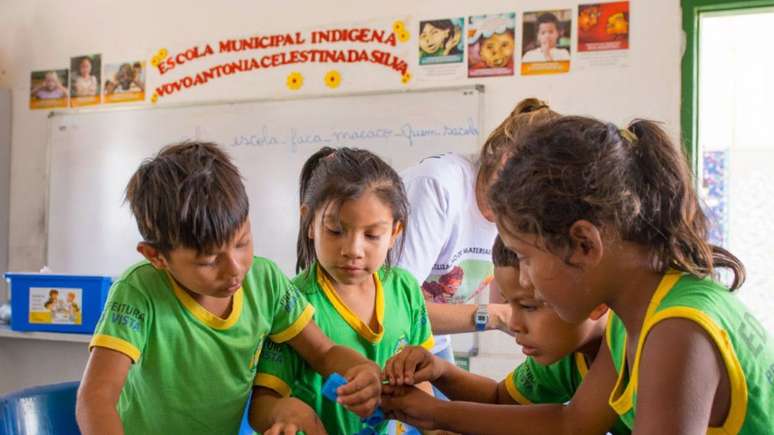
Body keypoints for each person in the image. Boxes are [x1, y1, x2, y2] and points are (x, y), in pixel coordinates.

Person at [381, 117, 774, 434]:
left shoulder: (677, 329)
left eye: (526, 257)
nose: (525, 280)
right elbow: (574, 422)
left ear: (584, 244)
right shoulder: (633, 317)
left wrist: (437, 412)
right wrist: (435, 412)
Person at [76, 142, 382, 435]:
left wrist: (362, 369)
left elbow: (323, 352)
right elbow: (96, 398)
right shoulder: (139, 291)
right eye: (208, 261)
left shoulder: (265, 281)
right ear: (157, 257)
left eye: (242, 243)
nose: (235, 269)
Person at [251, 147, 435, 435]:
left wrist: (433, 424)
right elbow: (262, 405)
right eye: (335, 230)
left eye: (372, 235)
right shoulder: (291, 304)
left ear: (394, 232)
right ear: (309, 222)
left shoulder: (405, 289)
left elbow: (420, 377)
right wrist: (285, 413)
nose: (353, 250)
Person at [383, 236, 630, 434]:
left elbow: (570, 425)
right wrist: (441, 371)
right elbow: (501, 399)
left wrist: (438, 413)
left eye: (529, 306)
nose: (514, 323)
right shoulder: (565, 356)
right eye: (510, 304)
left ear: (596, 302)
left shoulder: (629, 339)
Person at [397, 98, 560, 376]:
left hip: (429, 344)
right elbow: (396, 310)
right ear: (508, 164)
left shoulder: (510, 210)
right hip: (382, 344)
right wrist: (494, 317)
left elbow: (508, 302)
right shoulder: (438, 186)